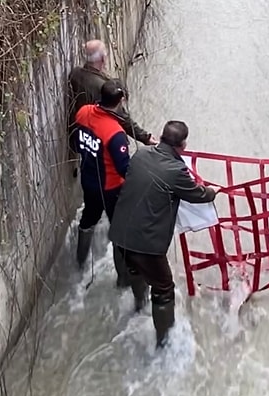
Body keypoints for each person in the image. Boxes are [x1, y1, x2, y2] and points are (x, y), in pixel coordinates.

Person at [109, 120, 218, 348]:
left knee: (133, 270)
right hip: (146, 245)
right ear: (183, 146)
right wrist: (211, 192)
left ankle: (138, 306)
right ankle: (163, 342)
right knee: (164, 288)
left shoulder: (140, 155)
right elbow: (197, 195)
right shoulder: (176, 171)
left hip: (119, 233)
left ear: (161, 136)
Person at [74, 81, 132, 282]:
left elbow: (76, 142)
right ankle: (123, 280)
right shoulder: (115, 133)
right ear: (120, 101)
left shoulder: (83, 112)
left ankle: (80, 264)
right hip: (111, 189)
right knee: (120, 231)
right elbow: (125, 169)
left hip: (88, 180)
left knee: (88, 219)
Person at [68, 39, 156, 155]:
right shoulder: (102, 87)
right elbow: (122, 116)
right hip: (99, 138)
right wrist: (145, 137)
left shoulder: (75, 74)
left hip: (80, 134)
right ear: (103, 59)